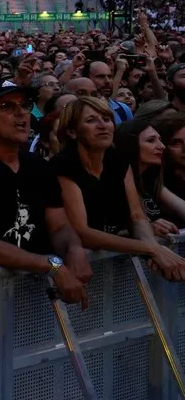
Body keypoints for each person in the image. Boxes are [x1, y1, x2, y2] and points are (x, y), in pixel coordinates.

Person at [0, 82, 91, 307]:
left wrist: (74, 248)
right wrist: (53, 264)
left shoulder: (39, 167)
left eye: (25, 105)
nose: (21, 113)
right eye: (6, 106)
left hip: (41, 296)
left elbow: (60, 226)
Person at [52, 98, 185, 278]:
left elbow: (137, 216)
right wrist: (151, 248)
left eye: (107, 119)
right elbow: (82, 232)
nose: (102, 125)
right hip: (65, 269)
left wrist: (154, 247)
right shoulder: (62, 166)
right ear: (72, 132)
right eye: (91, 120)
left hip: (108, 266)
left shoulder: (118, 160)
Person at [116, 119, 185, 230]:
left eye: (160, 140)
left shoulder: (150, 179)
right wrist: (146, 228)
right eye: (151, 141)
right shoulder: (116, 183)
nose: (162, 146)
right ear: (130, 144)